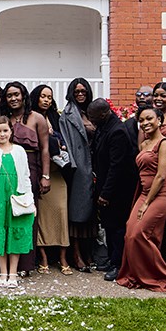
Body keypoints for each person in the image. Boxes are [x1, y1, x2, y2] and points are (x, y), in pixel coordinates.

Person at [116, 107, 166, 292]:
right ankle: (138, 274)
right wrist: (143, 197)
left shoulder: (164, 143)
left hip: (162, 194)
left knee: (140, 234)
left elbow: (161, 176)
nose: (145, 123)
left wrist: (146, 203)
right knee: (130, 232)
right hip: (145, 193)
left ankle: (163, 276)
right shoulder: (143, 144)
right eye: (141, 120)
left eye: (149, 119)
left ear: (159, 121)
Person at [0, 116, 35, 287]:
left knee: (15, 233)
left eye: (5, 130)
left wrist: (29, 199)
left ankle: (13, 273)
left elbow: (26, 176)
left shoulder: (19, 151)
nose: (2, 134)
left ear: (11, 131)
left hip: (16, 198)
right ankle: (2, 272)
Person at [3, 81, 52, 276]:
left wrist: (45, 176)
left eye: (16, 94)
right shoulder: (4, 118)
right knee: (8, 214)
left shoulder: (36, 118)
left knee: (27, 215)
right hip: (6, 170)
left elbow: (45, 149)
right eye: (9, 95)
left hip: (31, 169)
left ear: (23, 96)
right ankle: (6, 262)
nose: (13, 98)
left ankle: (26, 264)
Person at [90, 98, 136, 282]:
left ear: (103, 114)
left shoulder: (117, 131)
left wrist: (106, 194)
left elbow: (116, 166)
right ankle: (112, 259)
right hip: (106, 187)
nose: (91, 120)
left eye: (93, 117)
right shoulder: (104, 127)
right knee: (109, 226)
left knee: (117, 229)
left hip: (117, 191)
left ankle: (118, 265)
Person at [29, 84, 72, 274]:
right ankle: (44, 257)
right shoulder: (30, 117)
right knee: (42, 216)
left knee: (61, 212)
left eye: (49, 97)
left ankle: (63, 256)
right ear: (36, 97)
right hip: (41, 172)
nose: (46, 100)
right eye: (43, 96)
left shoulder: (57, 117)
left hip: (58, 173)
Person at [60, 78, 97, 272]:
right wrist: (74, 166)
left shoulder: (92, 111)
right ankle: (76, 254)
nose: (80, 94)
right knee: (77, 211)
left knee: (92, 213)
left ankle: (89, 252)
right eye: (77, 91)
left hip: (95, 164)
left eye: (84, 91)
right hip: (79, 167)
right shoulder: (67, 114)